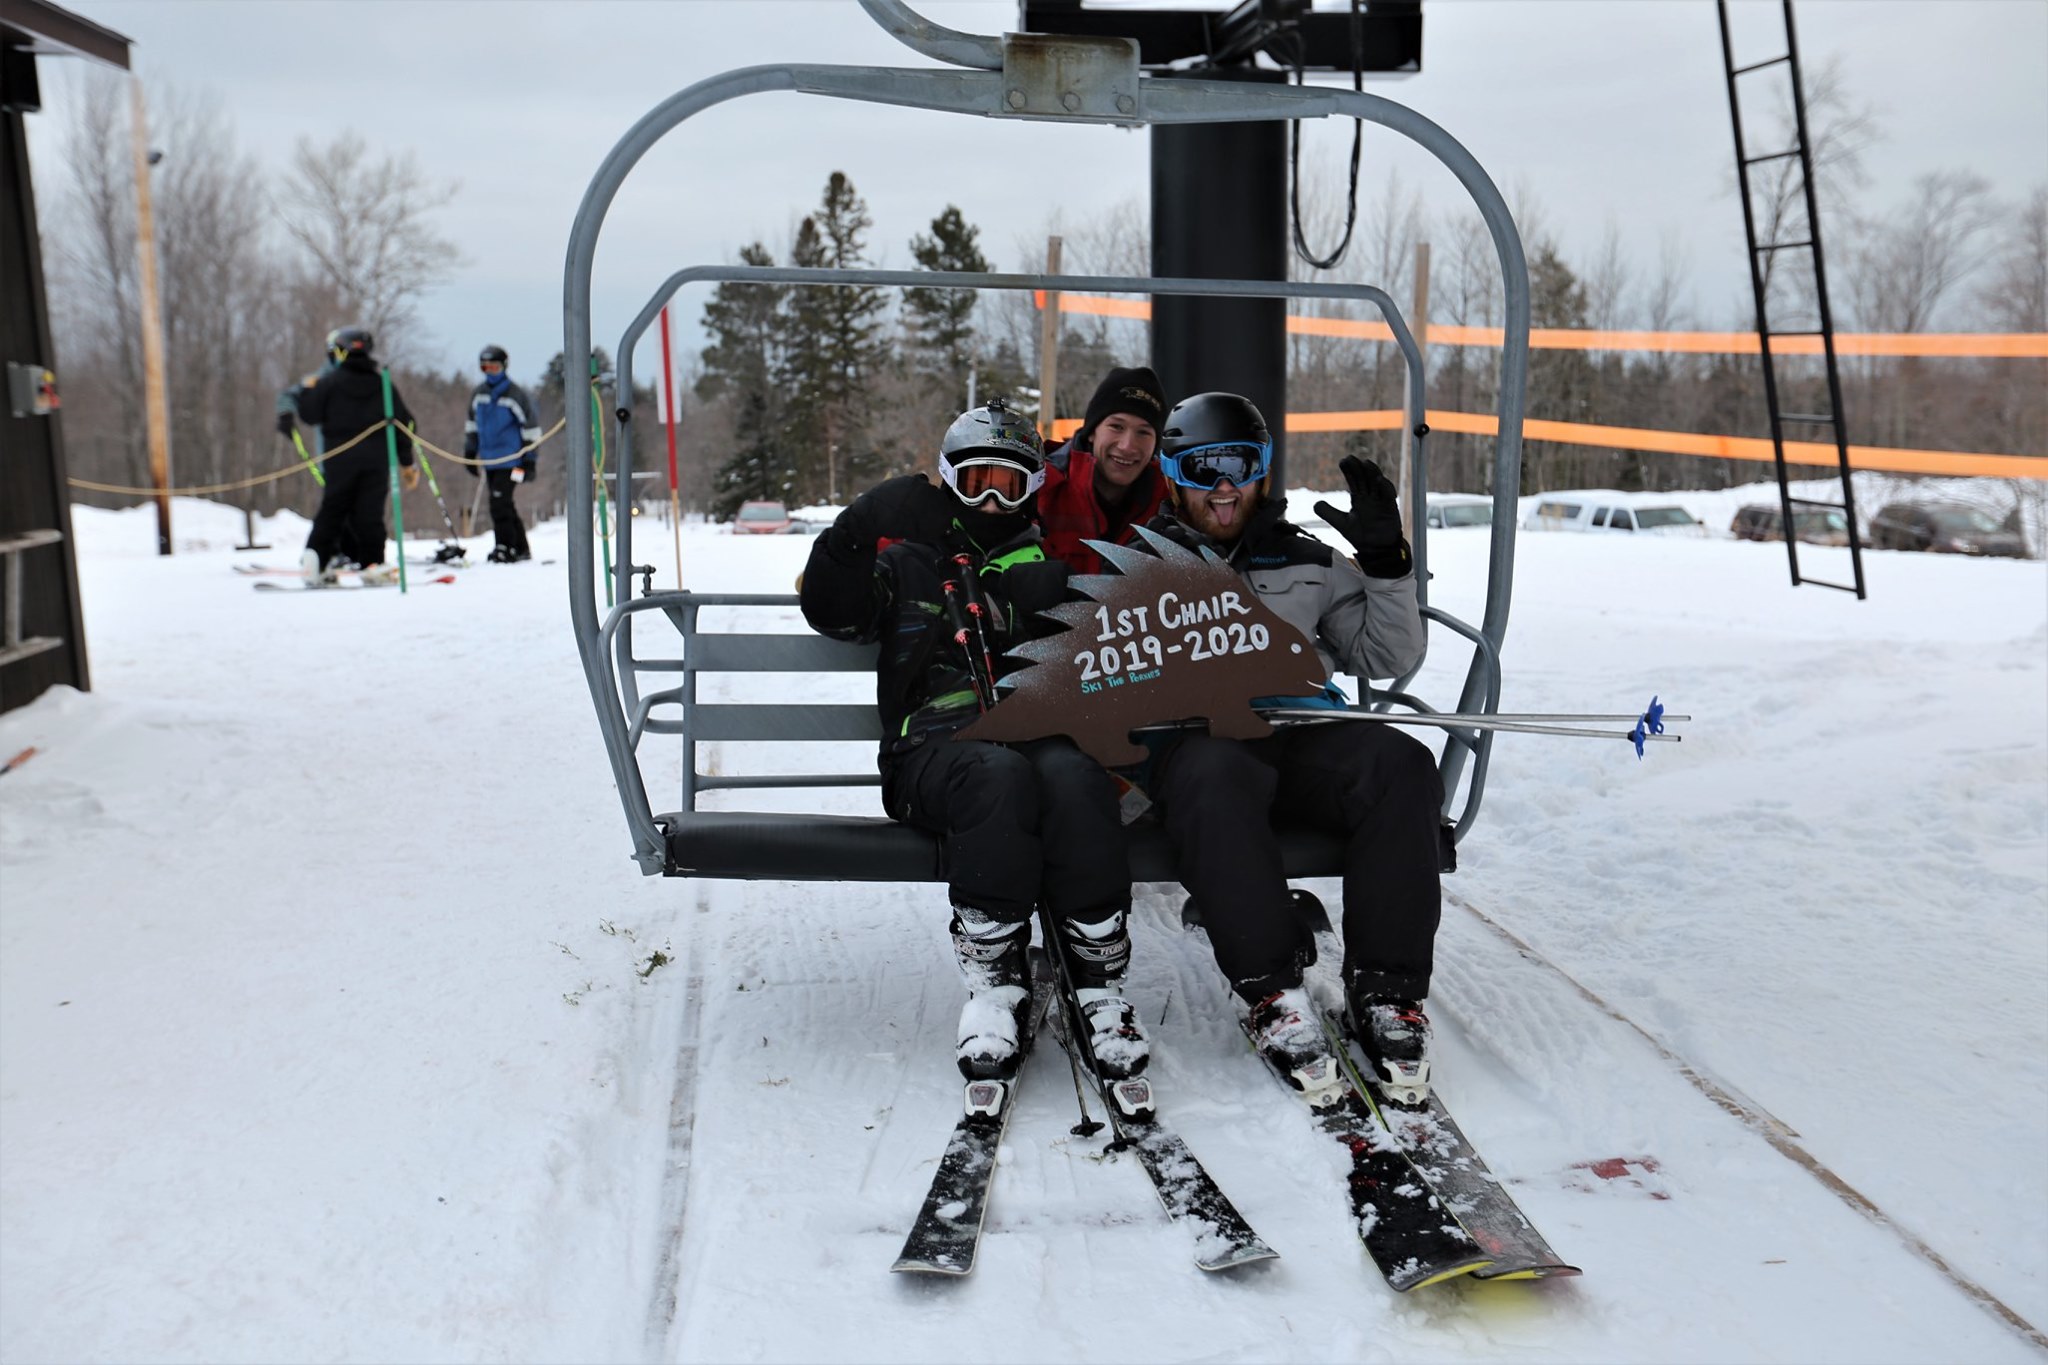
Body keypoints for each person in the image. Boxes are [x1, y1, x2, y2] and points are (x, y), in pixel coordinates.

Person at [798, 397, 1147, 1084]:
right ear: (949, 478)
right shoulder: (905, 564)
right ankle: (996, 977)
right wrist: (853, 533)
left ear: (1031, 490)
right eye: (977, 479)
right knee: (998, 777)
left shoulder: (1041, 561)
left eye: (1009, 483)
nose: (992, 499)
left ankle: (1097, 974)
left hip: (1029, 733)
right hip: (930, 751)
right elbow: (831, 611)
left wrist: (1062, 607)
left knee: (1077, 778)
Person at [1143, 392, 1443, 1099]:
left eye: (1239, 467)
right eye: (1202, 468)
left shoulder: (1305, 561)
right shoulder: (1137, 566)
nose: (1223, 487)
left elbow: (1387, 654)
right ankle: (1272, 992)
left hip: (1302, 732)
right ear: (1173, 474)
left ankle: (1386, 988)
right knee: (1216, 775)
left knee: (1399, 763)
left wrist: (1384, 561)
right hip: (1202, 745)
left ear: (1263, 470)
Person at [290, 326, 417, 586]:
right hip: (376, 461)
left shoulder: (329, 383)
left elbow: (309, 414)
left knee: (333, 509)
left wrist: (306, 390)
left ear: (340, 352)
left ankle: (315, 561)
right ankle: (372, 564)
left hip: (340, 461)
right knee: (369, 514)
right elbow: (404, 426)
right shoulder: (383, 384)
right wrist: (406, 463)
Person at [1037, 365, 1170, 577]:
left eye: (1143, 432)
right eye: (1117, 427)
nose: (1127, 446)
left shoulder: (1168, 499)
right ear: (1091, 432)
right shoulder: (1042, 486)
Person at [464, 344, 542, 563]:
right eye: (485, 368)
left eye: (494, 367)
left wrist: (530, 459)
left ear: (504, 367)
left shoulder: (515, 394)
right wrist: (470, 452)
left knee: (499, 503)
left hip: (512, 460)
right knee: (504, 503)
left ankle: (504, 546)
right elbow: (471, 425)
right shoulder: (479, 394)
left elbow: (531, 429)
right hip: (490, 461)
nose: (490, 372)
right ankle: (521, 547)